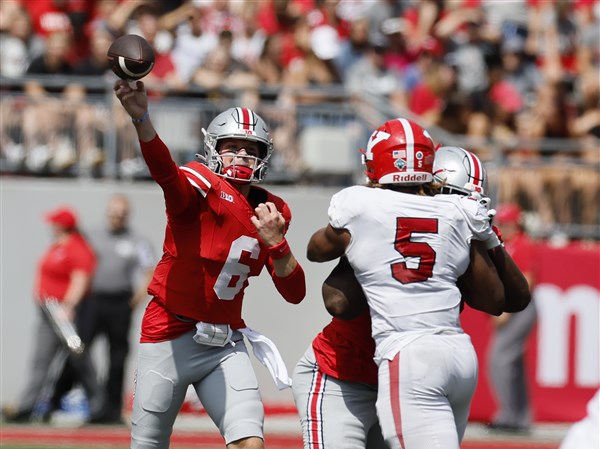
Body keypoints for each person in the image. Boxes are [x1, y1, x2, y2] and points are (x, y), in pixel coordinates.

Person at [293, 144, 531, 449]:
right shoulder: (383, 221)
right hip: (344, 373)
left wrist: (484, 237)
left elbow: (511, 300)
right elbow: (338, 302)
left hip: (401, 376)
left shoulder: (462, 228)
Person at [113, 79, 306, 449]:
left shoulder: (272, 212)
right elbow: (166, 173)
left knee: (250, 442)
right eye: (232, 148)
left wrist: (277, 245)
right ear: (213, 150)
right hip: (168, 332)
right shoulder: (198, 190)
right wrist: (142, 120)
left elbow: (295, 293)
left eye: (251, 149)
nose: (242, 157)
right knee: (148, 445)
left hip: (224, 342)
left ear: (264, 156)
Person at [55, 193, 156, 425]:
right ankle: (58, 399)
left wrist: (135, 301)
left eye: (121, 213)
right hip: (92, 301)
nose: (116, 217)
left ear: (127, 215)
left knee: (118, 357)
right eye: (113, 212)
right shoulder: (91, 236)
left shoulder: (137, 241)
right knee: (78, 351)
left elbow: (149, 271)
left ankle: (110, 410)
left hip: (120, 303)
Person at [2, 206, 103, 423]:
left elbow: (80, 279)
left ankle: (99, 405)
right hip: (47, 312)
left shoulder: (77, 248)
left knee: (79, 358)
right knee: (41, 360)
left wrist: (68, 306)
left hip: (62, 312)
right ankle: (26, 407)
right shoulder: (58, 246)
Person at [486, 203, 537, 433]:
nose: (501, 227)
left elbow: (527, 281)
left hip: (521, 308)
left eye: (505, 223)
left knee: (500, 360)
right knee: (512, 363)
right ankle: (520, 418)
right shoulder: (506, 244)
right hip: (513, 308)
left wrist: (506, 310)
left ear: (515, 223)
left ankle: (508, 415)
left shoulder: (522, 244)